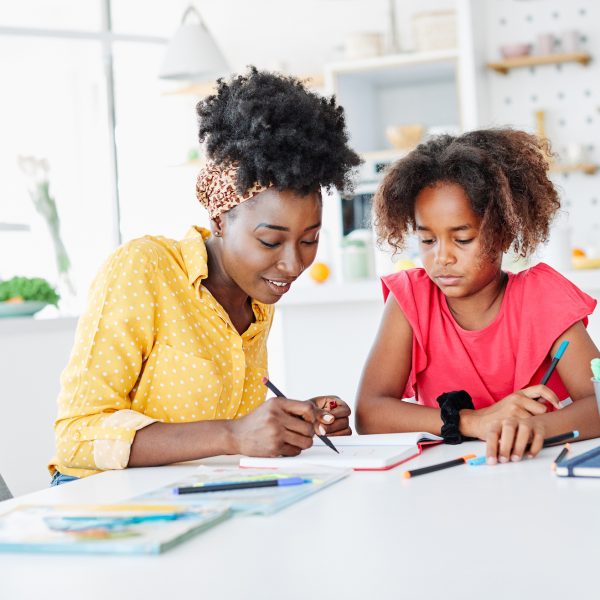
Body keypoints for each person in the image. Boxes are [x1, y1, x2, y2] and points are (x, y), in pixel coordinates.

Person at [50, 67, 360, 484]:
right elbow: (75, 438)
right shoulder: (145, 268)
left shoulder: (256, 297)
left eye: (310, 240)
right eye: (270, 241)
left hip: (187, 499)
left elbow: (220, 437)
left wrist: (293, 423)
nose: (292, 265)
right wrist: (233, 435)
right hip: (98, 504)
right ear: (220, 221)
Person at [356, 128, 600, 464]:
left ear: (503, 233)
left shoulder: (542, 297)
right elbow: (370, 413)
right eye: (427, 241)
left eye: (463, 238)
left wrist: (535, 428)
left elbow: (597, 402)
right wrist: (474, 421)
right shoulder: (411, 299)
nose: (442, 258)